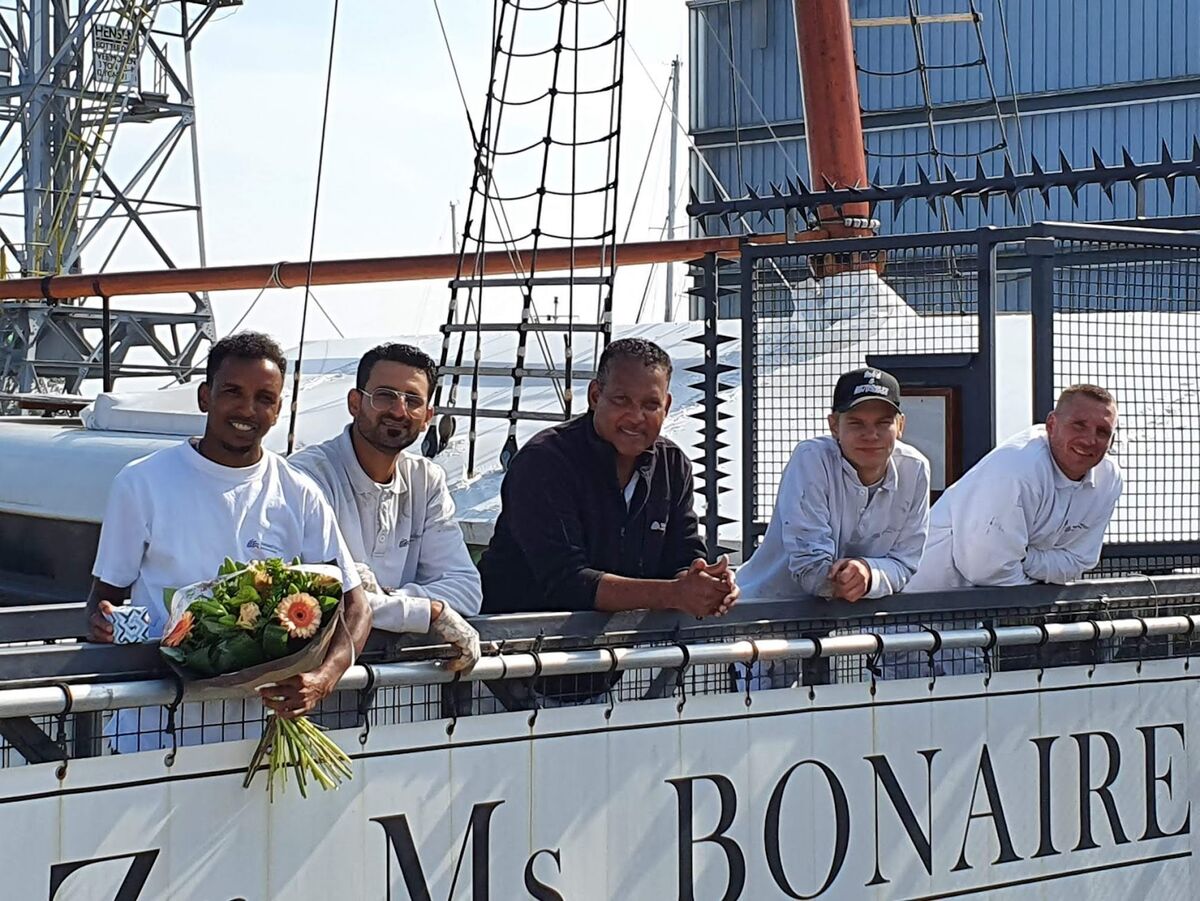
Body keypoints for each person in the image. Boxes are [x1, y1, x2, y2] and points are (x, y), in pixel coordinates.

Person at [87, 331, 372, 750]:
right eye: (233, 392)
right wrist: (103, 621)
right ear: (205, 397)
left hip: (262, 738)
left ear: (278, 410)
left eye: (264, 398)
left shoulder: (299, 492)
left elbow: (356, 606)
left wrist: (323, 679)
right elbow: (102, 600)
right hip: (153, 734)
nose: (247, 409)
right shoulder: (141, 482)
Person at [478, 337, 739, 619]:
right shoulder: (544, 462)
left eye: (651, 404)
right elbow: (566, 582)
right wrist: (675, 593)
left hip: (626, 641)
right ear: (594, 396)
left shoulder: (673, 465)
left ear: (667, 407)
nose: (636, 417)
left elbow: (683, 557)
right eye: (621, 400)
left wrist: (704, 584)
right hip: (515, 638)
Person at [290, 343, 480, 672]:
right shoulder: (308, 477)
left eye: (413, 401)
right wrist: (429, 611)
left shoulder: (426, 480)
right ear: (354, 403)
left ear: (427, 418)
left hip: (403, 681)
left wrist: (386, 596)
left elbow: (466, 590)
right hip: (317, 680)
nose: (399, 411)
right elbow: (316, 600)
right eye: (384, 396)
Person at [737, 367, 930, 602]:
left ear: (900, 426)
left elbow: (905, 562)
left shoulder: (915, 468)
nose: (871, 435)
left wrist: (868, 574)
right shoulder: (811, 458)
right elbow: (810, 565)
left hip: (857, 617)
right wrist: (851, 579)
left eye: (883, 423)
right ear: (834, 426)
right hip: (766, 610)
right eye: (856, 423)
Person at [905, 384, 1123, 592]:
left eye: (1102, 432)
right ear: (1051, 425)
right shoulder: (1018, 467)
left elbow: (1081, 560)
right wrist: (1039, 574)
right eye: (1079, 425)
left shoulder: (1109, 478)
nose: (1089, 440)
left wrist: (1025, 558)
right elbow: (986, 571)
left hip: (996, 603)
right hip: (921, 604)